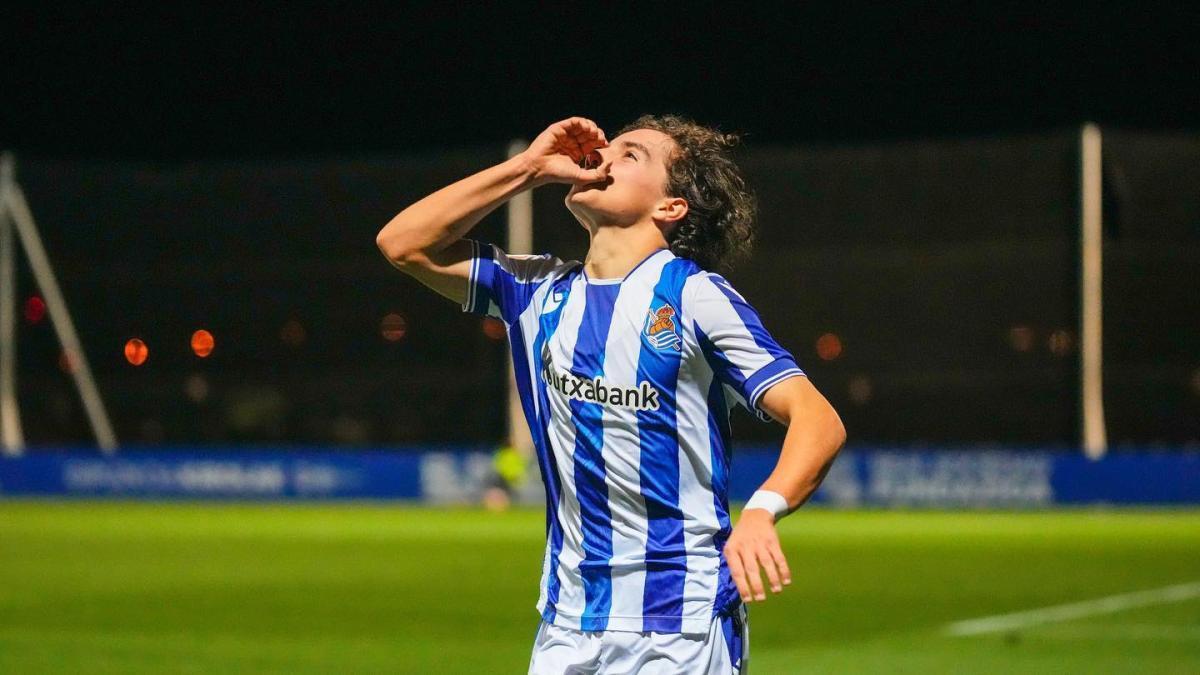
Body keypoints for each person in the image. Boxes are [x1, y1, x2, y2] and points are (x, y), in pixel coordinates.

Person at [376, 115, 846, 674]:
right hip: (566, 623)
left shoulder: (694, 297)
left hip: (679, 625)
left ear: (670, 207)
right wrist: (528, 168)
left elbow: (817, 419)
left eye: (631, 154)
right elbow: (403, 244)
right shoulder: (533, 291)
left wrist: (762, 511)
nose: (602, 156)